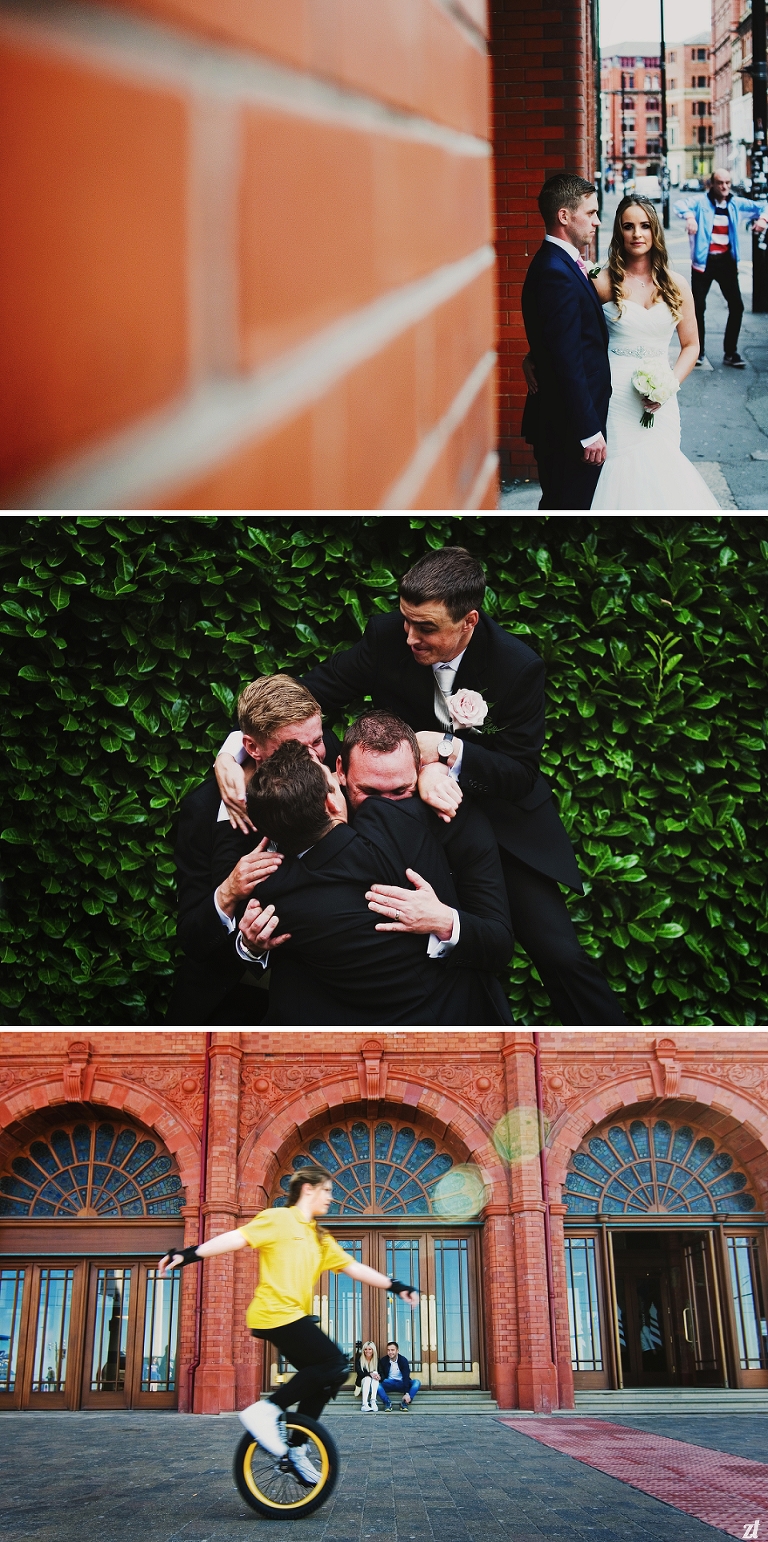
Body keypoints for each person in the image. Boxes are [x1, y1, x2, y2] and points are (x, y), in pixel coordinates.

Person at [216, 547, 626, 1025]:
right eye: (406, 620)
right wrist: (234, 752)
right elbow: (310, 694)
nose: (409, 636)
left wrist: (445, 753)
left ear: (469, 621)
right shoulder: (387, 636)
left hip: (492, 816)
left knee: (561, 956)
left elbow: (519, 774)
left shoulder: (517, 665)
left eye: (426, 627)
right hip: (396, 803)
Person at [158, 1165, 418, 1484]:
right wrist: (188, 1255)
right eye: (327, 1191)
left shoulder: (319, 1237)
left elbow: (353, 1268)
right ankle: (266, 1411)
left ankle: (295, 1449)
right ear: (308, 1189)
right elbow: (235, 1238)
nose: (331, 1198)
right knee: (334, 1362)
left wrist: (396, 1285)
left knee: (327, 1378)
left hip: (293, 1316)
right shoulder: (277, 1219)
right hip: (273, 1313)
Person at [234, 741, 514, 1024]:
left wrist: (444, 921)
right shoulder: (393, 821)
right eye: (327, 773)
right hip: (447, 1019)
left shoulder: (272, 894)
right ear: (332, 801)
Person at [167, 675, 337, 1024]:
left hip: (323, 993)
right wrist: (227, 893)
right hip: (232, 996)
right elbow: (192, 937)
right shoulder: (201, 812)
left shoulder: (326, 758)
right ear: (253, 748)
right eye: (292, 748)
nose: (311, 759)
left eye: (317, 741)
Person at [589, 196, 719, 511]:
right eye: (628, 226)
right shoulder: (602, 282)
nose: (637, 234)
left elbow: (691, 346)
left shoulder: (676, 285)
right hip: (616, 396)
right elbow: (572, 334)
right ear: (619, 232)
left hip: (663, 397)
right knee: (621, 470)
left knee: (664, 467)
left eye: (645, 226)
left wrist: (668, 386)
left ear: (655, 231)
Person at [520, 172, 611, 510]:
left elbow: (558, 338)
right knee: (567, 508)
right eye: (591, 213)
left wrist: (532, 355)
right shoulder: (554, 272)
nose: (597, 222)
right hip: (568, 429)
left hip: (570, 421)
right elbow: (567, 360)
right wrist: (588, 431)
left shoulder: (564, 263)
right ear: (564, 216)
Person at [675, 168, 768, 368]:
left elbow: (763, 206)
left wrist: (763, 219)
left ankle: (730, 352)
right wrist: (690, 217)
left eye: (727, 182)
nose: (724, 187)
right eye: (720, 183)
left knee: (737, 306)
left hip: (726, 262)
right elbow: (679, 205)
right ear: (712, 184)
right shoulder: (700, 202)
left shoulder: (736, 204)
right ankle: (698, 352)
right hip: (704, 263)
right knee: (698, 307)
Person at [378, 1341, 420, 1411]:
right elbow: (381, 1373)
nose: (390, 1352)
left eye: (392, 1350)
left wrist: (406, 1392)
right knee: (376, 1385)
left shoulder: (403, 1360)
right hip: (389, 1383)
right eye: (388, 1350)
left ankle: (405, 1402)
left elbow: (406, 1376)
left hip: (402, 1383)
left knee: (417, 1382)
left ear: (397, 1351)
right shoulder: (383, 1360)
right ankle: (387, 1403)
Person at [354, 1342, 383, 1411]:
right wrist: (370, 1374)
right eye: (365, 1349)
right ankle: (364, 1404)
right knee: (367, 1378)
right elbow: (360, 1373)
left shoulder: (377, 1360)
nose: (367, 1351)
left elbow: (382, 1373)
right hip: (363, 1383)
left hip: (374, 1384)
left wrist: (379, 1376)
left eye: (370, 1349)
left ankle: (373, 1401)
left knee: (376, 1373)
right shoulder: (359, 1359)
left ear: (373, 1350)